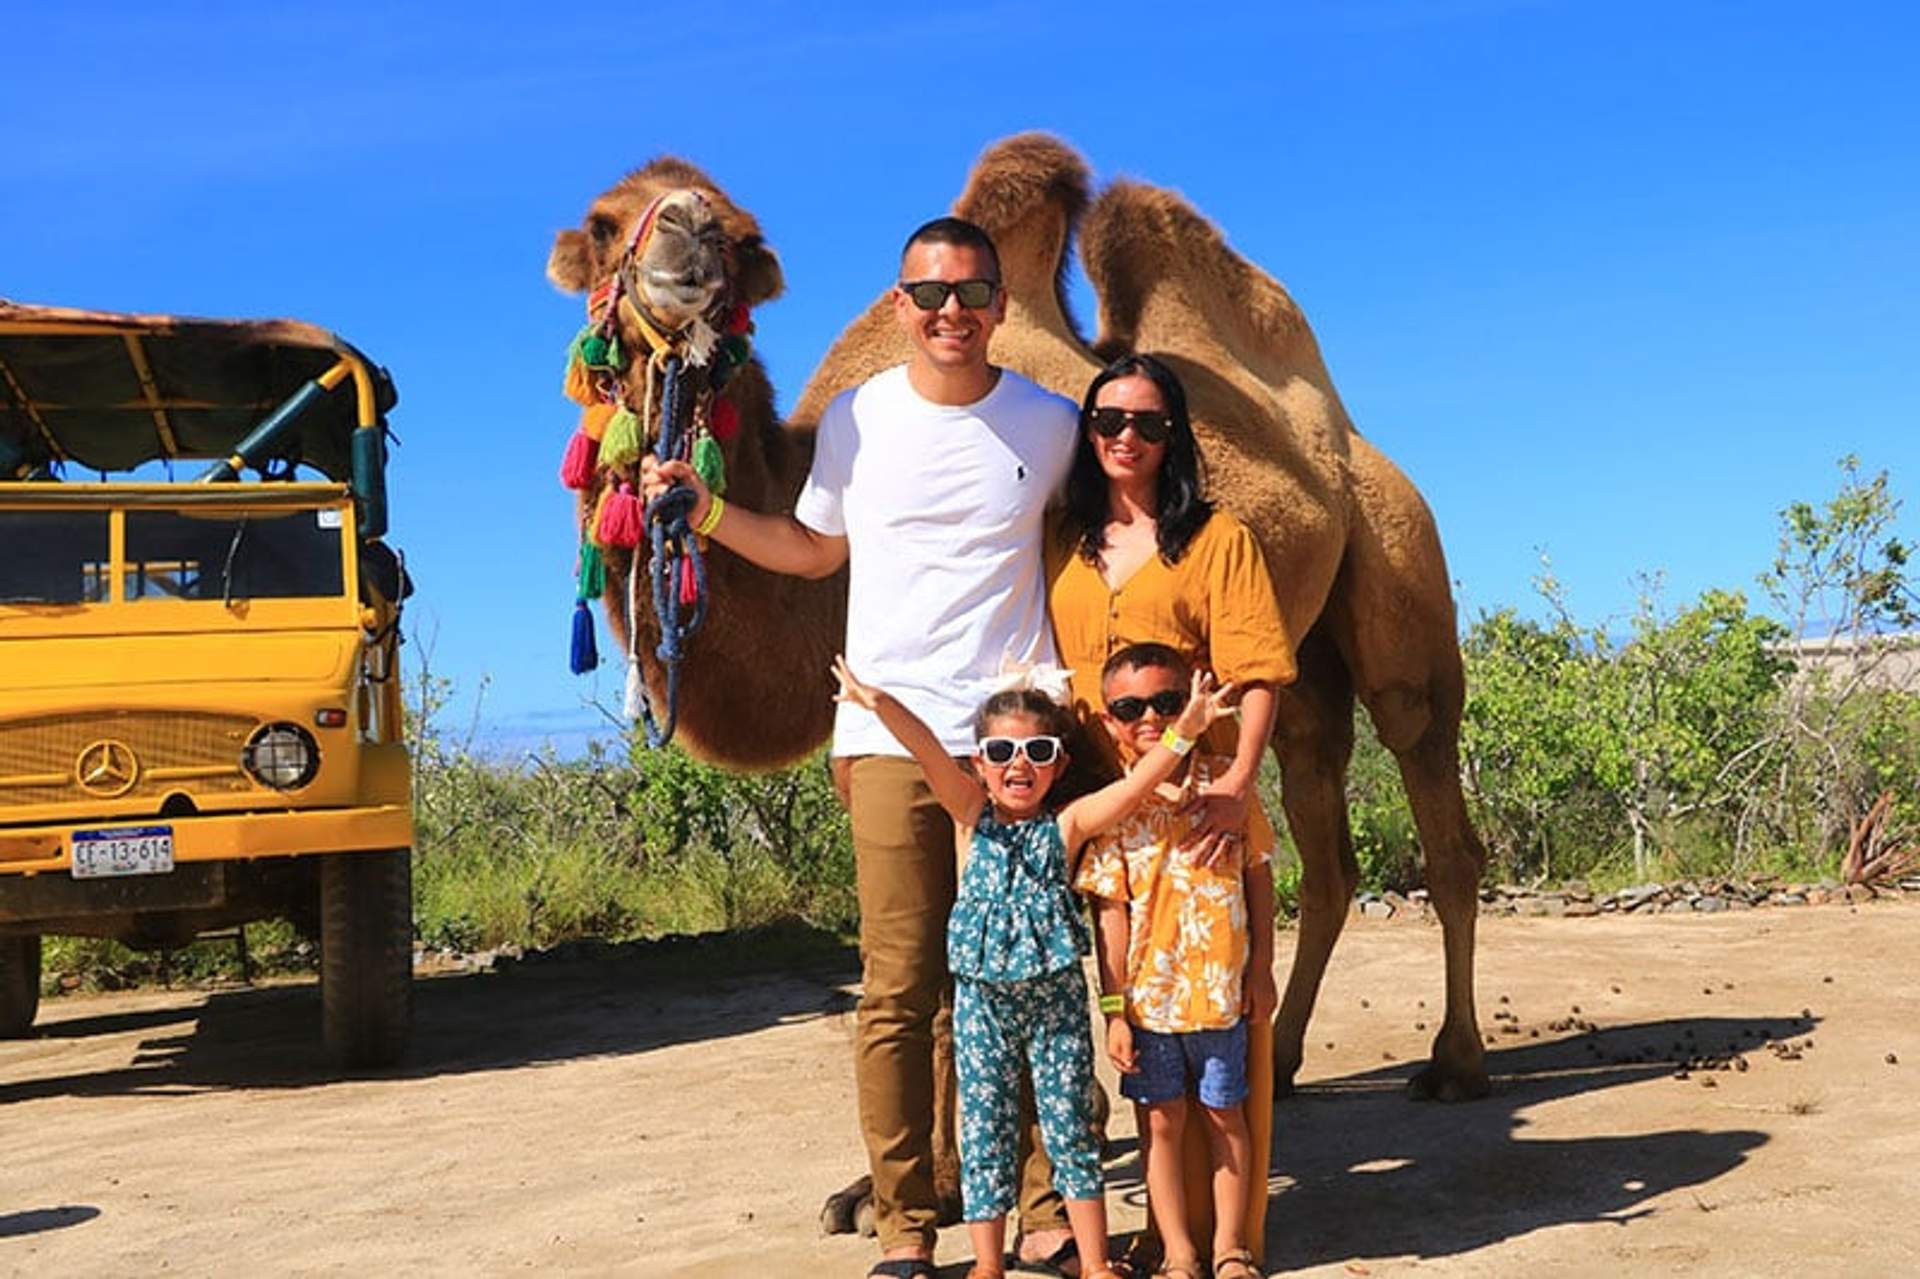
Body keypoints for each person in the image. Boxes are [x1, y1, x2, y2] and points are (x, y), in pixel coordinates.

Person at [643, 218, 1082, 1279]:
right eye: (929, 296)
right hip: (887, 730)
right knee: (899, 985)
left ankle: (1042, 1204)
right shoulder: (855, 421)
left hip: (1012, 744)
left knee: (1027, 972)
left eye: (971, 293)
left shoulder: (1054, 421)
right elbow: (811, 549)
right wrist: (706, 516)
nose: (951, 314)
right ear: (901, 307)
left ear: (1001, 305)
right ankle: (905, 1221)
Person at [831, 655, 1235, 1279]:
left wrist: (1188, 727)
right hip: (981, 1007)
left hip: (1055, 1006)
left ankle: (1096, 1263)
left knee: (1069, 1126)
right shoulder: (970, 816)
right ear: (979, 762)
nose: (1018, 764)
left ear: (1059, 764)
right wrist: (876, 701)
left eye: (1038, 750)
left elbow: (1134, 787)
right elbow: (926, 750)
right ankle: (988, 1266)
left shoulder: (1068, 826)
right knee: (986, 1131)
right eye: (1001, 751)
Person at [1044, 352, 1295, 1268]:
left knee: (1221, 1027)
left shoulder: (1216, 538)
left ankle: (1223, 1245)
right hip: (1105, 805)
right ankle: (1155, 1234)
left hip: (1197, 802)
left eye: (1148, 423)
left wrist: (1238, 784)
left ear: (1174, 436)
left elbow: (1259, 670)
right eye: (1109, 419)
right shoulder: (1066, 541)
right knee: (1138, 1018)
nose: (1125, 438)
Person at [1075, 644, 1276, 1279]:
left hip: (1220, 995)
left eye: (1166, 702)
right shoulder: (1115, 809)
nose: (1150, 718)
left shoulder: (1229, 786)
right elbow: (1111, 918)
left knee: (1226, 1120)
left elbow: (1260, 878)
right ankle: (1180, 1252)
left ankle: (1230, 1249)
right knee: (1161, 1126)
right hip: (1150, 1005)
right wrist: (1113, 1012)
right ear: (1108, 721)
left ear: (1191, 701)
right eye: (1130, 708)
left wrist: (1264, 968)